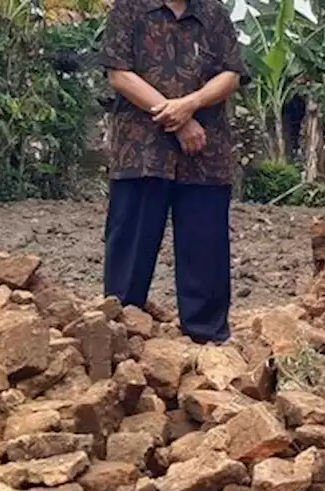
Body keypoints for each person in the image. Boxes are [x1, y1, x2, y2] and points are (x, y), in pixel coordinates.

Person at [100, 0, 247, 344]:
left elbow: (232, 73)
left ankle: (207, 338)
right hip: (141, 152)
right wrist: (177, 119)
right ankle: (120, 331)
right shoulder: (129, 9)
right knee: (131, 244)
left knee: (205, 245)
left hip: (205, 153)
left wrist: (190, 104)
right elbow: (120, 74)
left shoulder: (214, 13)